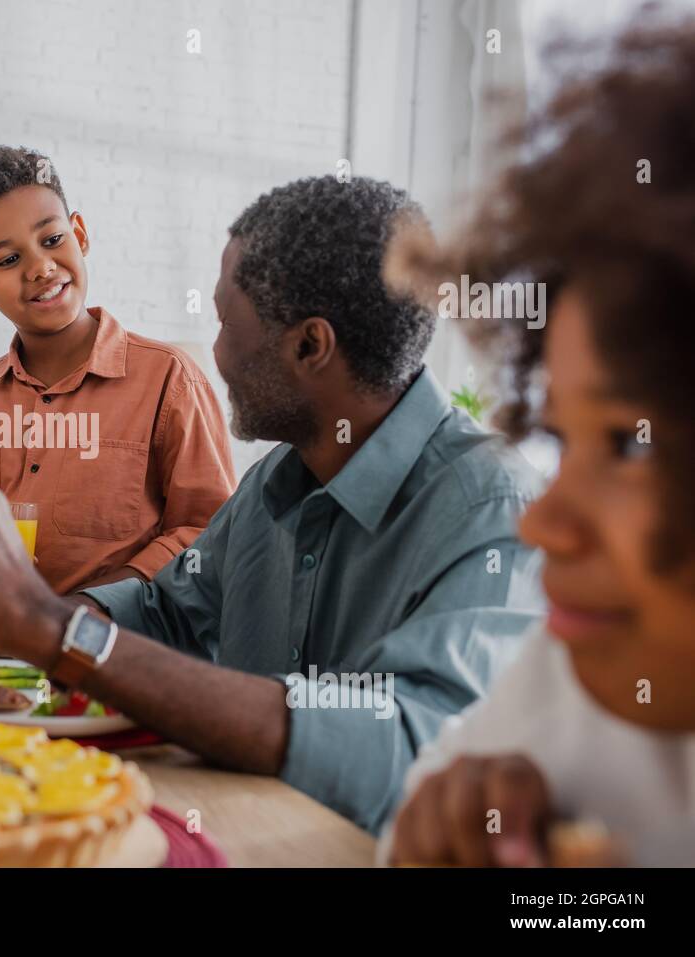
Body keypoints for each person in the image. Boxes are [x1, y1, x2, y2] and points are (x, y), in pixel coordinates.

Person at [0, 176, 544, 831]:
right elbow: (164, 610)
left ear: (310, 346)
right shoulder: (278, 480)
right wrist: (34, 616)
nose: (217, 352)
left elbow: (410, 747)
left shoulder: (493, 505)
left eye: (226, 321)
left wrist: (51, 627)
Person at [384, 18, 695, 866]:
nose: (543, 525)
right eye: (562, 436)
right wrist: (440, 824)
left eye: (631, 445)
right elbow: (415, 818)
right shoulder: (580, 665)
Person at [0, 146, 235, 593]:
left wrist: (93, 607)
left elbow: (208, 533)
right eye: (8, 260)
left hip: (118, 651)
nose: (40, 267)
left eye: (52, 240)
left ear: (80, 234)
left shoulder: (171, 381)